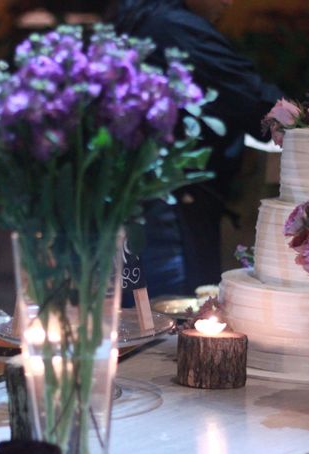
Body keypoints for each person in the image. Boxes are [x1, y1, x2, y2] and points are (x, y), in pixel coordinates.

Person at [115, 0, 283, 297]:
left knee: (137, 318)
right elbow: (251, 98)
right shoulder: (174, 26)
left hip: (141, 203)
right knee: (177, 322)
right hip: (172, 214)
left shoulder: (140, 16)